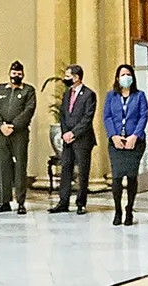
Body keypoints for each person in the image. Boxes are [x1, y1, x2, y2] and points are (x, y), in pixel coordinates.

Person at [103, 64, 148, 226]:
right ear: (117, 78)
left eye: (128, 74)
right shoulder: (111, 96)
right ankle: (117, 210)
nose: (125, 77)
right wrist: (113, 136)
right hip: (116, 142)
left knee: (131, 176)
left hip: (135, 143)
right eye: (122, 75)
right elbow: (107, 117)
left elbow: (143, 117)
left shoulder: (140, 96)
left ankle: (129, 209)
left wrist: (134, 136)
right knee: (116, 178)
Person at [48, 65, 97, 215]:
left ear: (77, 77)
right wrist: (64, 133)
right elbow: (62, 115)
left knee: (82, 171)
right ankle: (63, 202)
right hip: (67, 138)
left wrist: (73, 133)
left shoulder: (89, 94)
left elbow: (87, 118)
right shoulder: (67, 93)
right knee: (66, 169)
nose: (66, 79)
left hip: (82, 139)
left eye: (69, 76)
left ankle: (81, 203)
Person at [0, 61, 37, 215]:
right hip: (1, 133)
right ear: (9, 73)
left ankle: (21, 202)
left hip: (19, 134)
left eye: (19, 73)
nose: (16, 76)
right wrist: (1, 125)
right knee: (3, 167)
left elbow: (29, 110)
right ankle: (5, 201)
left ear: (22, 74)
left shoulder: (28, 91)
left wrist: (13, 126)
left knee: (20, 167)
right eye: (14, 73)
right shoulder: (0, 90)